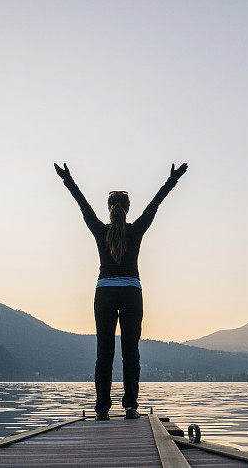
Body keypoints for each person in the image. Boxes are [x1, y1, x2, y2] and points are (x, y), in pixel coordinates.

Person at [54, 162, 188, 420]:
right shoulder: (136, 230)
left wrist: (67, 179)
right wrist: (172, 180)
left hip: (104, 293)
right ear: (127, 209)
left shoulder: (100, 230)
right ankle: (130, 408)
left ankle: (102, 409)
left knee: (104, 351)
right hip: (131, 294)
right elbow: (155, 205)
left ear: (109, 209)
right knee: (130, 352)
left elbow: (83, 206)